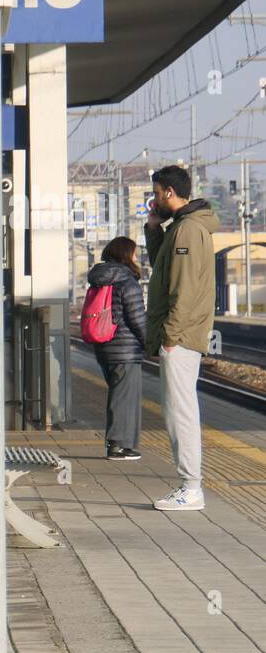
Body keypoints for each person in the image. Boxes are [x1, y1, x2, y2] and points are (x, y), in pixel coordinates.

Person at [144, 165, 216, 511]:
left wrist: (169, 336)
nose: (154, 200)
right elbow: (164, 267)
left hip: (182, 336)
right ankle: (189, 486)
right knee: (178, 409)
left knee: (180, 412)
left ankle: (191, 487)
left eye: (157, 193)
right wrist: (153, 230)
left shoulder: (187, 231)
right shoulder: (180, 230)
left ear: (169, 193)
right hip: (182, 334)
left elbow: (183, 290)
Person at [87, 237, 147, 461]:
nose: (136, 257)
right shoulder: (126, 282)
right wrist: (150, 343)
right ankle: (117, 445)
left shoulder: (100, 280)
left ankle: (124, 444)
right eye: (133, 253)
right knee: (124, 397)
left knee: (120, 395)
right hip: (125, 349)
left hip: (105, 346)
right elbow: (137, 318)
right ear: (126, 255)